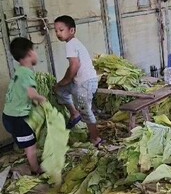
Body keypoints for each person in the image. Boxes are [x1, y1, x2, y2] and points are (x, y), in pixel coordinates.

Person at [54, 15, 101, 146]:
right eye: (56, 30)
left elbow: (74, 65)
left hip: (85, 83)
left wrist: (65, 80)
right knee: (60, 91)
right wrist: (63, 83)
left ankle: (95, 138)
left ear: (72, 31)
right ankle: (74, 113)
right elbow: (72, 67)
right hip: (80, 82)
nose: (58, 33)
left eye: (61, 30)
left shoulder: (71, 44)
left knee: (86, 111)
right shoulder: (73, 43)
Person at [2, 38, 46, 174]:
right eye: (35, 50)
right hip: (18, 119)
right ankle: (35, 170)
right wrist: (41, 98)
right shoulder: (26, 73)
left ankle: (27, 154)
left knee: (25, 142)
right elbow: (31, 94)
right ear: (30, 53)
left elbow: (22, 94)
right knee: (31, 148)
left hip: (8, 117)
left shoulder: (19, 71)